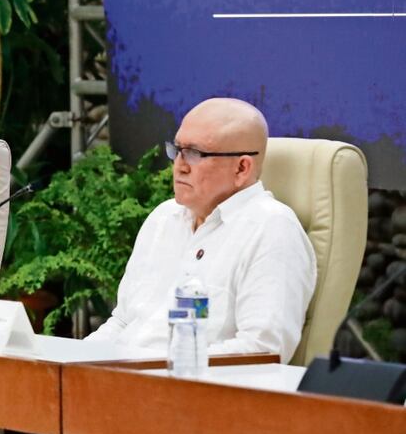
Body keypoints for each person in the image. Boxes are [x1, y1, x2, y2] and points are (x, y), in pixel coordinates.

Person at [85, 97, 316, 363]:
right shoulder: (164, 217)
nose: (179, 165)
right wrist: (73, 361)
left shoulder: (272, 229)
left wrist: (165, 368)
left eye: (195, 153)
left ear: (242, 168)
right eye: (177, 149)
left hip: (191, 390)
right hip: (122, 383)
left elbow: (262, 351)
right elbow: (124, 322)